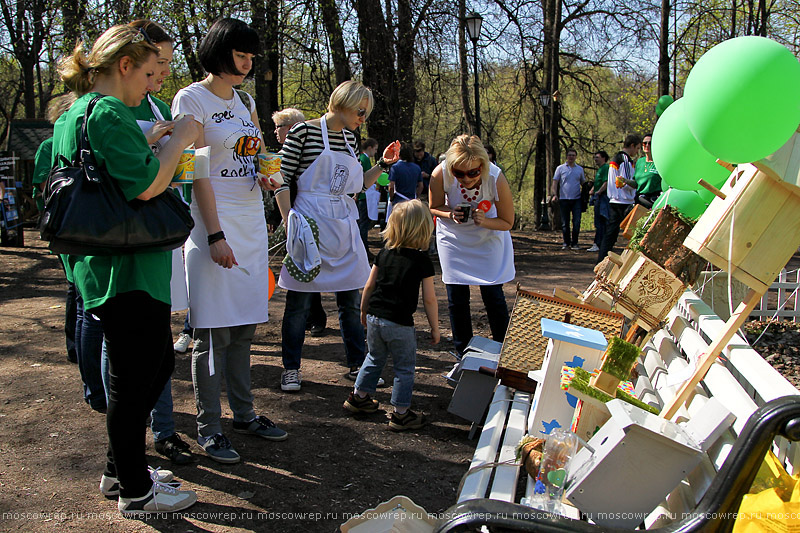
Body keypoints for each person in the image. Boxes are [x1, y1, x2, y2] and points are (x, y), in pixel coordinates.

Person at [55, 24, 200, 514]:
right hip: (127, 268)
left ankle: (120, 470)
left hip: (109, 264)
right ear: (124, 67)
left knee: (154, 364)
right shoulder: (110, 111)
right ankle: (135, 492)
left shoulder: (71, 114)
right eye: (149, 71)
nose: (152, 82)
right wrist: (178, 139)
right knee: (133, 378)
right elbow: (145, 186)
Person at [172, 17, 287, 465]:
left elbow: (260, 156)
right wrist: (214, 234)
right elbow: (194, 170)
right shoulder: (191, 98)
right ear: (219, 53)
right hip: (212, 228)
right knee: (212, 335)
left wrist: (268, 177)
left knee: (243, 330)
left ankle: (244, 413)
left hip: (251, 226)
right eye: (241, 56)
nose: (247, 65)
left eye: (251, 57)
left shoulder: (246, 101)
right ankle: (209, 427)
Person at [274, 80, 400, 392]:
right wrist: (289, 222)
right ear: (342, 103)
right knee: (299, 303)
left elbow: (356, 186)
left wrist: (383, 164)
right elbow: (281, 177)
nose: (363, 118)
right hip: (308, 225)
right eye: (360, 111)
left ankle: (358, 363)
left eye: (366, 113)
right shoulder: (304, 132)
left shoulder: (350, 139)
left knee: (350, 301)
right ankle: (290, 368)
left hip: (343, 226)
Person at [126, 19, 193, 466]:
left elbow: (169, 174)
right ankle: (128, 445)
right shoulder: (109, 109)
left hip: (157, 234)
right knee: (124, 346)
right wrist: (159, 143)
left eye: (168, 64)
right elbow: (137, 180)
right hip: (123, 239)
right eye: (157, 64)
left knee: (156, 339)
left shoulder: (155, 103)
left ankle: (163, 429)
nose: (164, 73)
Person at [343, 199, 439, 430]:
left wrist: (363, 311)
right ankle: (401, 413)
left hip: (375, 316)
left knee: (374, 358)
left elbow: (369, 285)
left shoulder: (384, 254)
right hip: (400, 323)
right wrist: (435, 328)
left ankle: (359, 397)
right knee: (404, 367)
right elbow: (429, 299)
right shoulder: (422, 261)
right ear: (424, 228)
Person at [428, 135, 515, 355]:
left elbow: (507, 222)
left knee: (493, 295)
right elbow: (434, 206)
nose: (465, 179)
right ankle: (462, 351)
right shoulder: (439, 173)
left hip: (488, 236)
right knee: (456, 298)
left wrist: (485, 221)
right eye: (458, 173)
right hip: (454, 238)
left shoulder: (495, 177)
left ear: (483, 166)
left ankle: (502, 349)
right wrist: (449, 213)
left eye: (473, 173)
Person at [271, 107, 328, 336]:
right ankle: (305, 316)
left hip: (306, 217)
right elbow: (277, 187)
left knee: (307, 267)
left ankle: (316, 317)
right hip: (289, 216)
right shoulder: (279, 154)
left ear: (292, 128)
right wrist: (277, 218)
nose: (276, 132)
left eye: (279, 127)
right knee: (296, 268)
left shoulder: (309, 152)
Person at [597, 134, 642, 263]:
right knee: (634, 232)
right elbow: (625, 181)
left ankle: (602, 260)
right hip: (624, 201)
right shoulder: (625, 160)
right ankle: (632, 260)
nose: (637, 152)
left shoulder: (615, 158)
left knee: (611, 233)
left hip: (614, 199)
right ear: (632, 146)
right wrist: (635, 186)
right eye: (637, 148)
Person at [551, 148, 586, 250]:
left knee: (577, 222)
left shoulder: (579, 169)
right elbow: (555, 182)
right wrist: (554, 194)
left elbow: (583, 182)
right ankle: (566, 242)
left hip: (576, 199)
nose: (571, 157)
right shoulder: (560, 168)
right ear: (567, 156)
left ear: (576, 157)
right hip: (564, 199)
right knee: (565, 223)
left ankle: (575, 243)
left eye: (573, 155)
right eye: (569, 155)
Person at [357, 137, 379, 258]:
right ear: (369, 148)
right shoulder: (364, 159)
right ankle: (363, 249)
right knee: (363, 224)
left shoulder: (363, 158)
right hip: (364, 196)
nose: (375, 152)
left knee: (364, 223)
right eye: (375, 149)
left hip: (364, 195)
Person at [587, 150, 609, 253]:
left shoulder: (605, 168)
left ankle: (599, 243)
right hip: (598, 197)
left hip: (602, 198)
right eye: (594, 157)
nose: (595, 159)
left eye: (597, 157)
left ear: (603, 158)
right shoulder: (600, 169)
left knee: (601, 220)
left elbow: (606, 182)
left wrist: (599, 192)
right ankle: (600, 243)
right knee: (599, 221)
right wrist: (593, 190)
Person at [634, 133, 662, 208]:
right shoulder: (639, 162)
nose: (647, 145)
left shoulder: (659, 162)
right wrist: (625, 181)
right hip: (639, 200)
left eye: (650, 143)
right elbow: (636, 184)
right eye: (644, 143)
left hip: (653, 201)